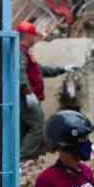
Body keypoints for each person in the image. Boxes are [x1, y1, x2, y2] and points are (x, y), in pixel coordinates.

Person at [18, 20, 74, 161]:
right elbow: (20, 75)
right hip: (25, 99)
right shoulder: (19, 52)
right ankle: (20, 158)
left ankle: (22, 158)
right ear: (27, 35)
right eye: (34, 36)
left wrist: (62, 69)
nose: (35, 39)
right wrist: (28, 94)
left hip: (30, 97)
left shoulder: (26, 52)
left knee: (25, 128)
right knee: (37, 126)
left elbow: (39, 70)